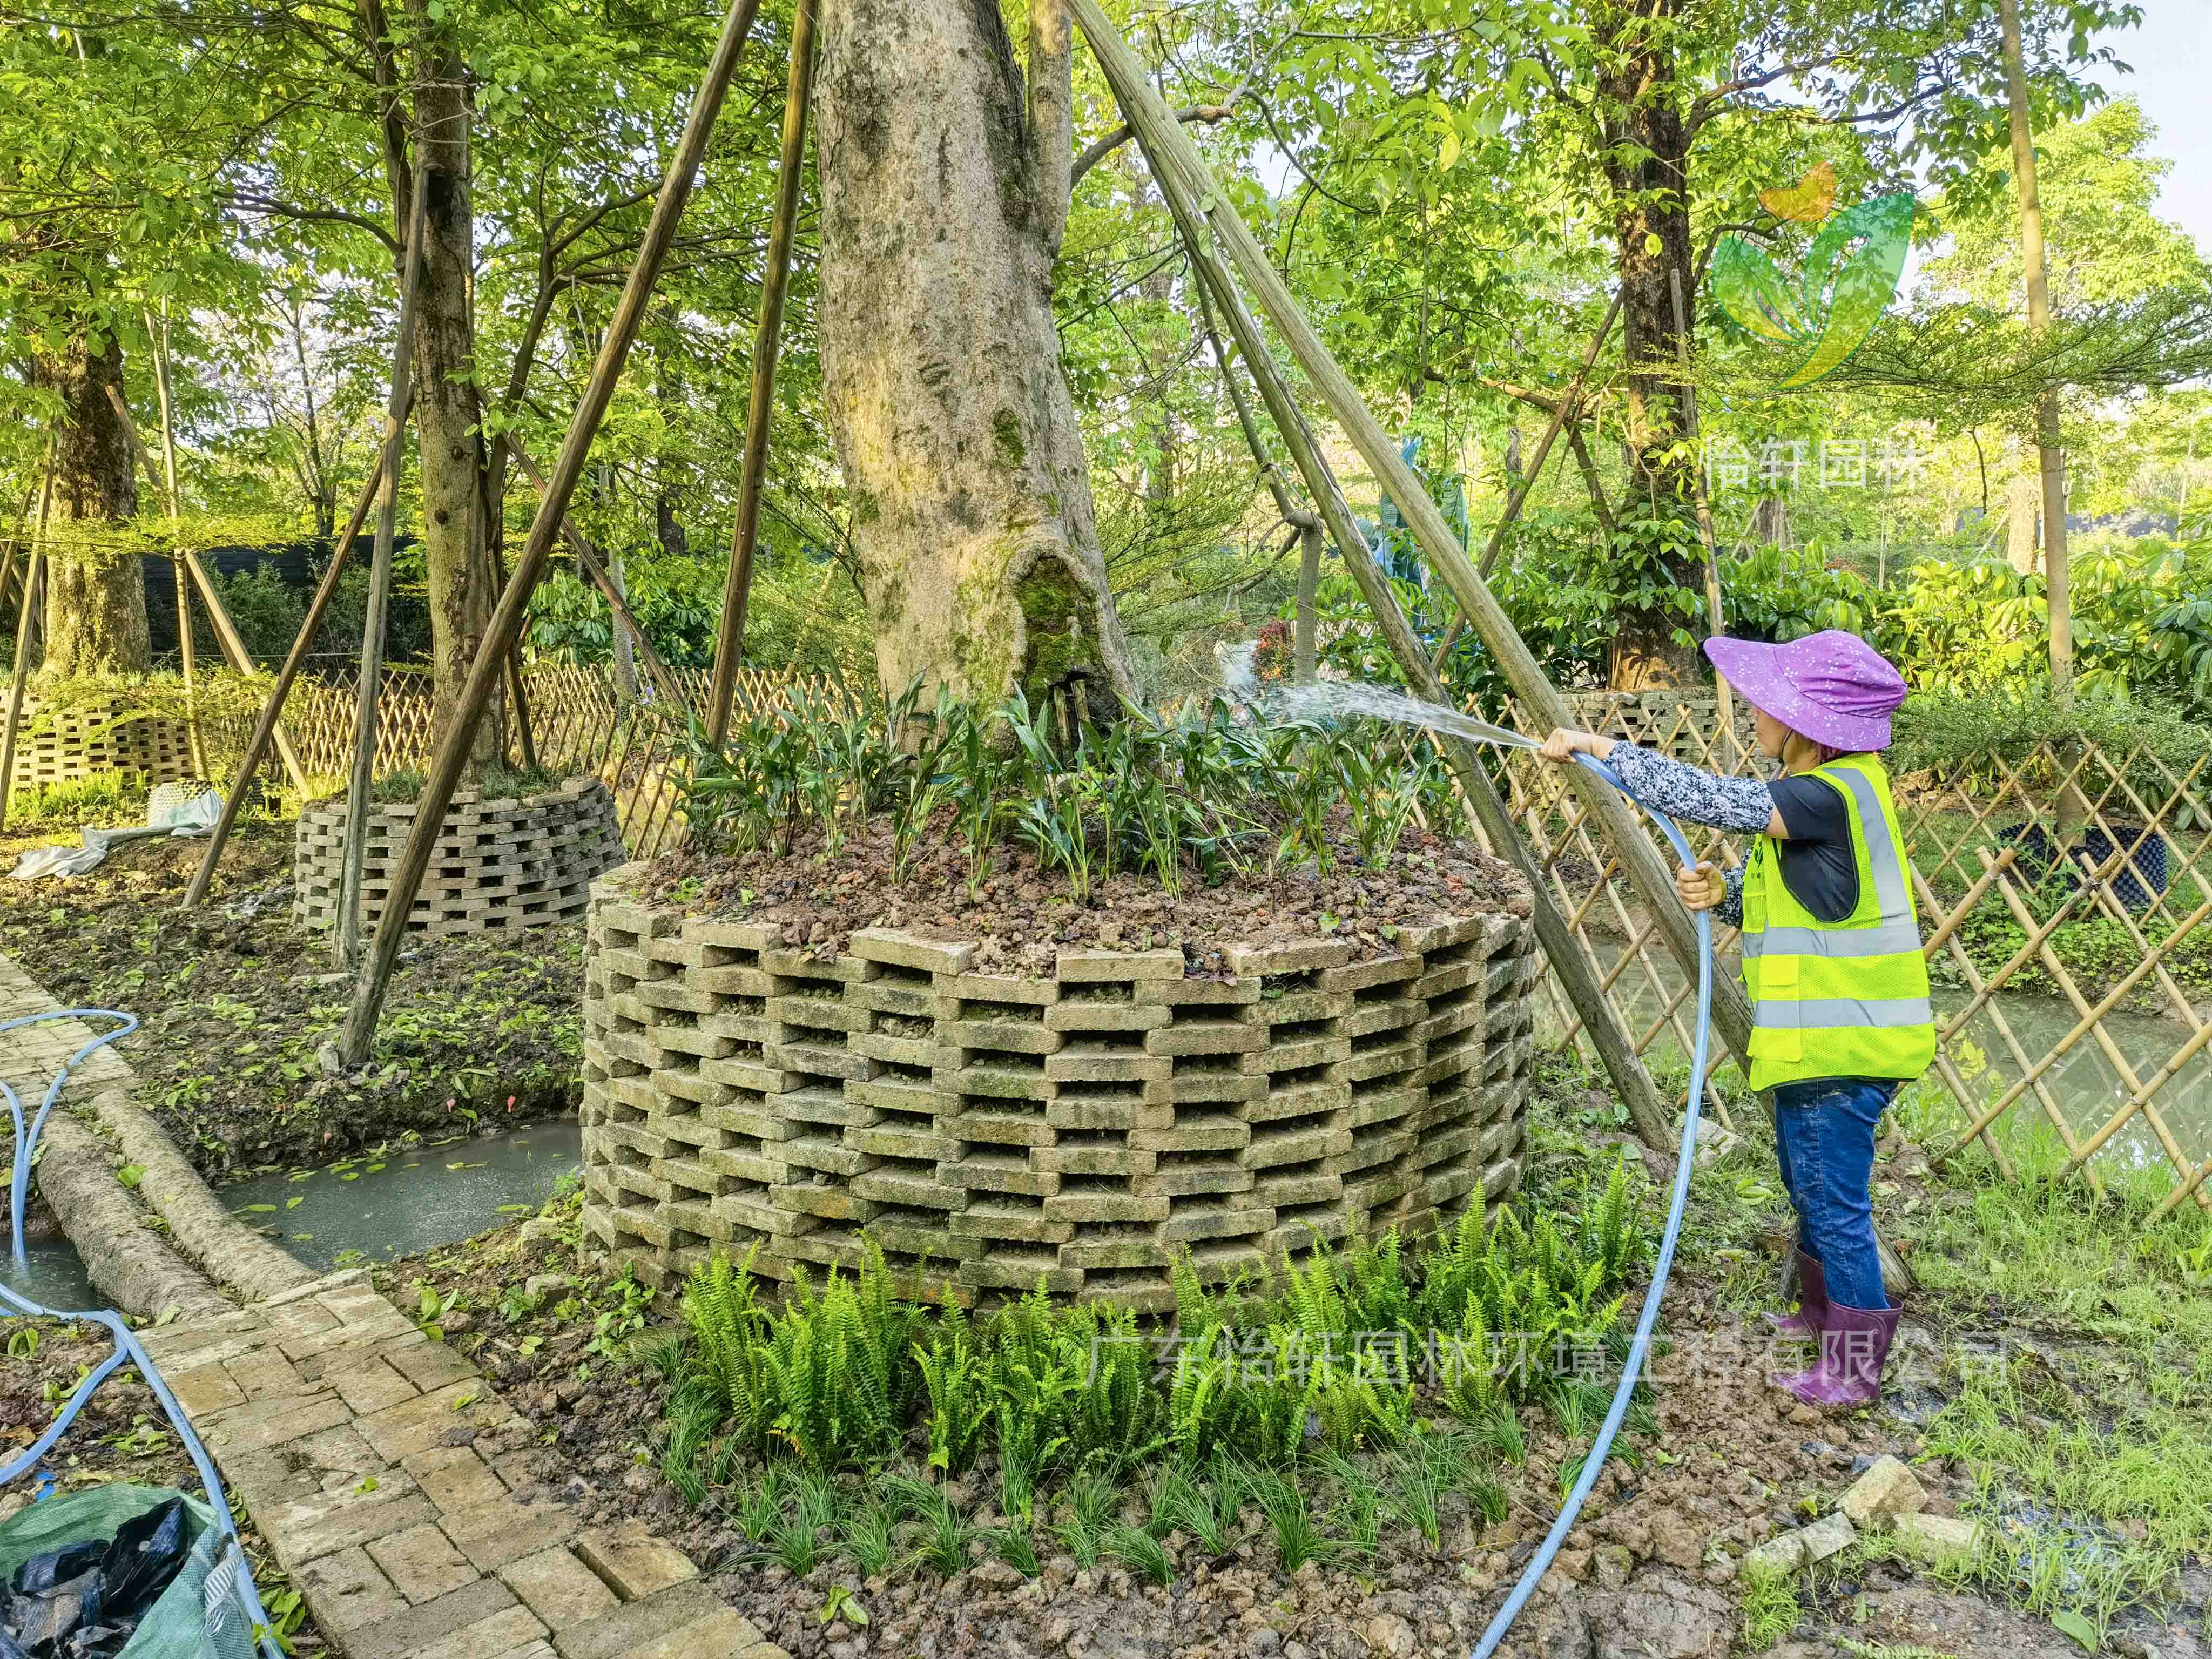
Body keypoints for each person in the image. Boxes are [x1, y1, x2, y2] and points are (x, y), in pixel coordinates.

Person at [1539, 630, 1934, 1410]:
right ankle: (1818, 1316)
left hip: (1841, 1050)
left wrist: (1600, 747)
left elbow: (1711, 798)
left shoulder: (1830, 793)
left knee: (1835, 1206)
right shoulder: (1829, 792)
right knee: (1808, 1185)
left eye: (1769, 704)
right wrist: (1726, 896)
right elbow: (1812, 903)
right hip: (1820, 1048)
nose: (1756, 712)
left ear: (1808, 723)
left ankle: (1854, 1368)